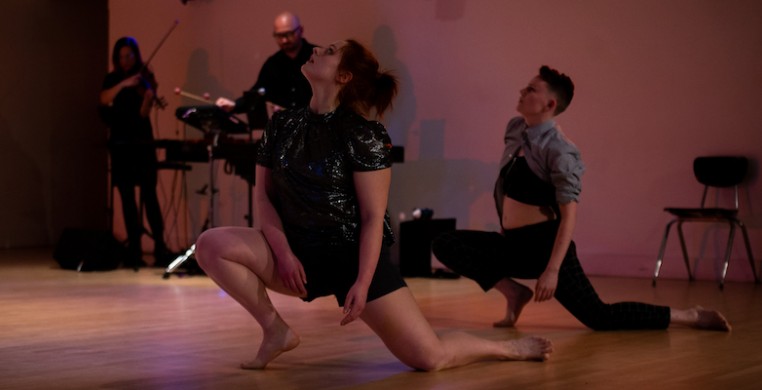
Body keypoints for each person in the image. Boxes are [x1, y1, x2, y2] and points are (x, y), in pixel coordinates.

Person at [194, 40, 553, 371]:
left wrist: (364, 283)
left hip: (353, 258)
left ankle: (509, 350)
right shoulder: (281, 124)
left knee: (429, 357)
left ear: (343, 75)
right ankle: (276, 330)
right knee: (212, 243)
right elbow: (264, 198)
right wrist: (284, 253)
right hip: (296, 257)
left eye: (330, 50)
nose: (318, 48)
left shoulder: (363, 133)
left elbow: (370, 217)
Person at [432, 65, 731, 332]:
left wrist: (551, 271)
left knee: (600, 317)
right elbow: (509, 188)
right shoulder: (515, 129)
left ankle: (689, 316)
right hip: (512, 243)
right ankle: (513, 292)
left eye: (531, 89)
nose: (523, 91)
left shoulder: (561, 151)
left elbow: (569, 216)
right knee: (445, 243)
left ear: (549, 104)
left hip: (545, 249)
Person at [99, 37, 173, 268]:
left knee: (149, 195)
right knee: (127, 197)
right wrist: (124, 84)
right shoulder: (112, 79)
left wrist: (148, 98)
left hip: (141, 143)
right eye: (121, 57)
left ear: (136, 55)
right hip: (121, 145)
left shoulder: (144, 78)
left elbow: (143, 114)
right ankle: (133, 249)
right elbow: (103, 99)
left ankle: (160, 245)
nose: (125, 60)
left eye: (129, 55)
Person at [218, 11, 317, 127]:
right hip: (286, 132)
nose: (284, 40)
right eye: (279, 36)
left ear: (301, 30)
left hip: (316, 130)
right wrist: (234, 105)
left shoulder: (318, 57)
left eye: (288, 34)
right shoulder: (272, 64)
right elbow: (258, 93)